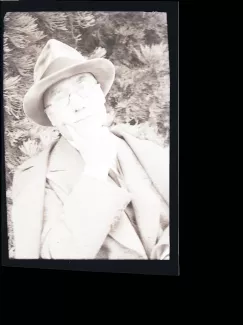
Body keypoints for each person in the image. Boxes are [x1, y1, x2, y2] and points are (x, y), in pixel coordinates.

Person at [11, 39, 170, 260]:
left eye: (83, 87)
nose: (78, 103)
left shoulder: (143, 149)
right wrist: (95, 170)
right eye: (60, 97)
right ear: (51, 116)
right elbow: (53, 257)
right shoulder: (35, 181)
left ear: (100, 94)